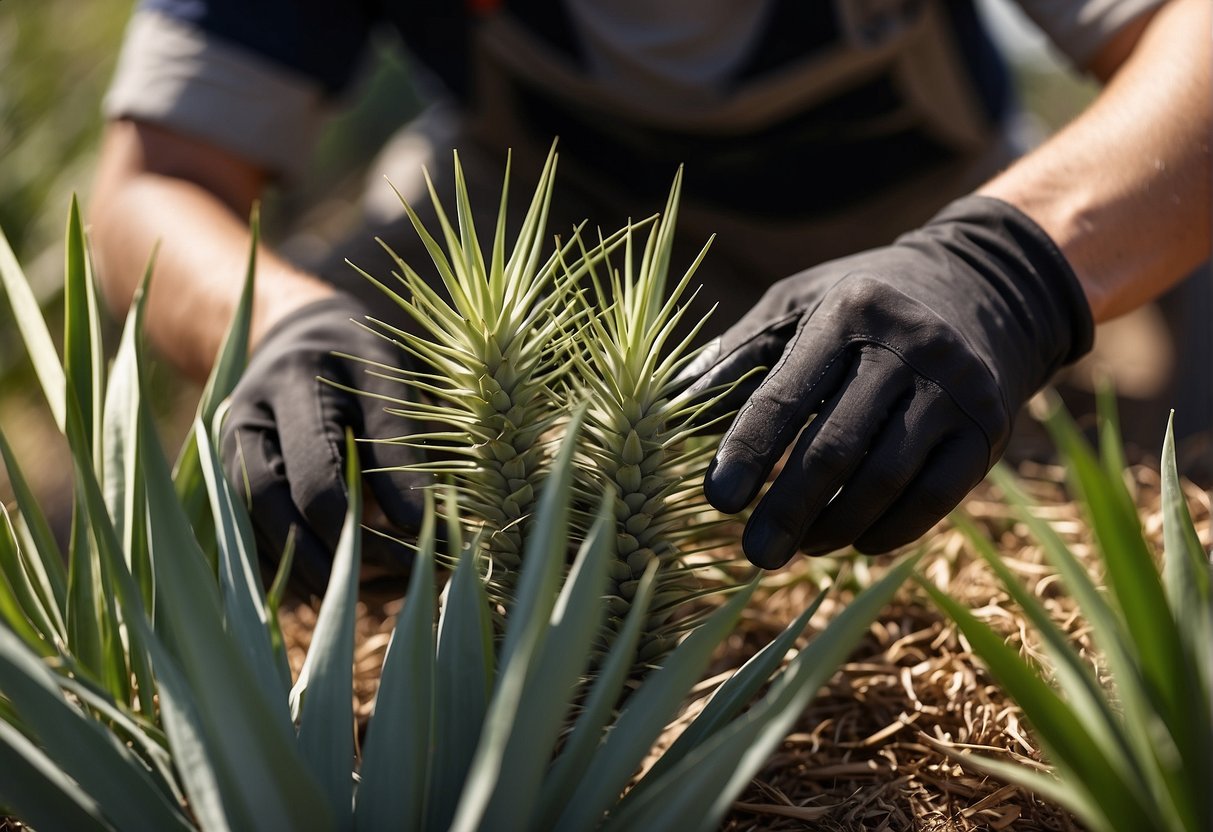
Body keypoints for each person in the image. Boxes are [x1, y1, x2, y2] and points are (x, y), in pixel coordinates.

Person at [91, 0, 1211, 592]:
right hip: (525, 240)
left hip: (911, 242)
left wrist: (1000, 272)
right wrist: (276, 326)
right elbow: (151, 182)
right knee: (300, 417)